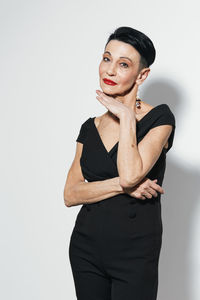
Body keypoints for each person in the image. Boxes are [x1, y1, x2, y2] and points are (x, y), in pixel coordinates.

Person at [64, 26, 176, 300]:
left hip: (135, 253)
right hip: (85, 248)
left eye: (123, 64)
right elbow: (71, 194)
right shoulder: (90, 128)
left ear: (142, 75)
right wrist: (123, 186)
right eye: (106, 58)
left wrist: (126, 116)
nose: (110, 70)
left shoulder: (160, 119)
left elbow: (130, 175)